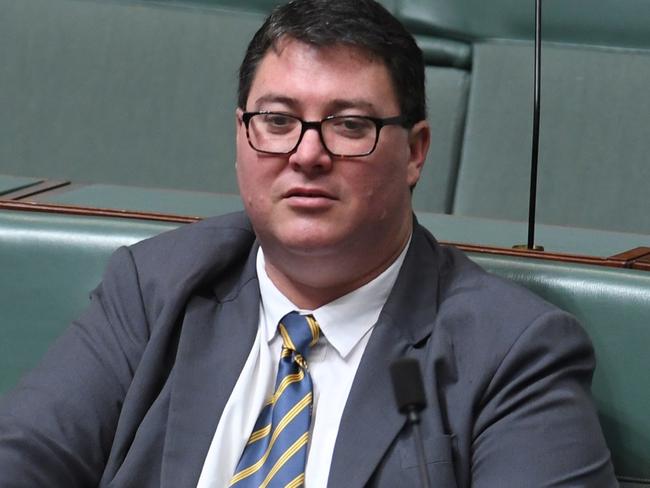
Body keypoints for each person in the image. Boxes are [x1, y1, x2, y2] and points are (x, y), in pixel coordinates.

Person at [0, 0, 616, 486]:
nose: (308, 154)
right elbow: (26, 457)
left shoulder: (511, 353)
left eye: (350, 125)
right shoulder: (156, 287)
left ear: (416, 152)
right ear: (241, 134)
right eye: (278, 121)